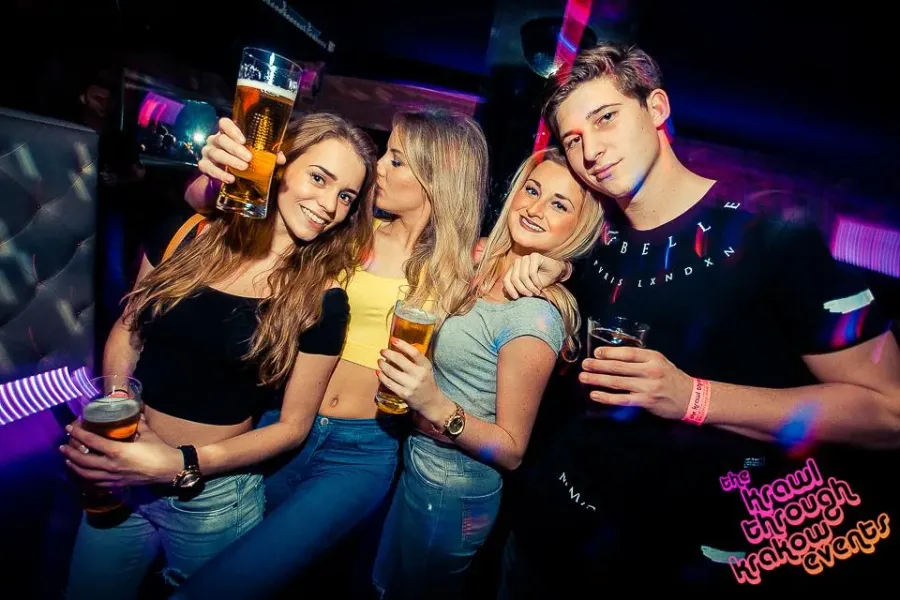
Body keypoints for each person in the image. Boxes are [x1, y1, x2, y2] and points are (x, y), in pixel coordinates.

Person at [498, 41, 900, 594]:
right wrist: (547, 267)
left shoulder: (771, 230)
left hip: (691, 564)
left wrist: (693, 398)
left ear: (657, 108)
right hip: (555, 541)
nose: (591, 150)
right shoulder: (594, 247)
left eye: (606, 118)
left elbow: (888, 411)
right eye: (575, 139)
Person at [169, 107, 492, 599]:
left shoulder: (468, 265)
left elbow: (539, 261)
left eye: (397, 160)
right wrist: (208, 183)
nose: (378, 168)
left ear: (436, 176)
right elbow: (225, 212)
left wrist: (543, 268)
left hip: (362, 451)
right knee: (217, 561)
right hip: (280, 422)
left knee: (238, 579)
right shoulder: (348, 233)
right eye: (385, 155)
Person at [61, 112, 377, 599]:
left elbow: (291, 428)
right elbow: (129, 329)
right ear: (278, 166)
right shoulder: (185, 233)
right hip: (123, 481)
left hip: (212, 501)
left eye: (345, 197)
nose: (329, 206)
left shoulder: (322, 299)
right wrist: (120, 412)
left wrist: (179, 464)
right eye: (319, 178)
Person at [372, 146, 603, 599]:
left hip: (453, 492)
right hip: (417, 467)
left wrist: (435, 405)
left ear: (578, 229)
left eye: (559, 205)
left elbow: (513, 449)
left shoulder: (535, 317)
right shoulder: (480, 260)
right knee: (383, 585)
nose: (535, 209)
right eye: (532, 191)